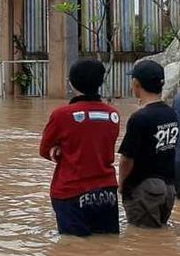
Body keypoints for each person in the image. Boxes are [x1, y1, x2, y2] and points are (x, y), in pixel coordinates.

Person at [39, 59, 120, 236]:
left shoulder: (62, 115)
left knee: (74, 249)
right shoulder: (113, 114)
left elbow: (45, 150)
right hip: (107, 192)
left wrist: (59, 150)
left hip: (71, 192)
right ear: (100, 83)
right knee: (108, 246)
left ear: (71, 83)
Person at [118, 60, 178, 228]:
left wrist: (122, 184)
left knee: (142, 238)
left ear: (136, 84)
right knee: (158, 234)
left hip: (145, 189)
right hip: (168, 189)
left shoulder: (139, 118)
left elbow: (126, 159)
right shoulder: (171, 113)